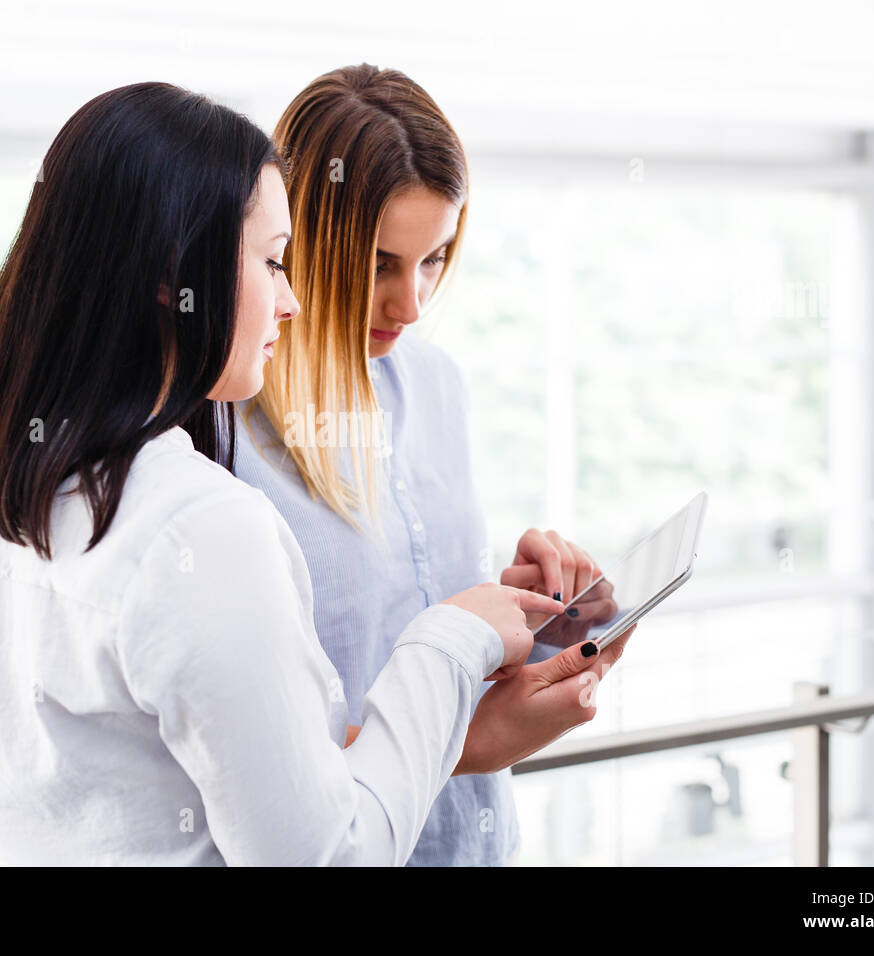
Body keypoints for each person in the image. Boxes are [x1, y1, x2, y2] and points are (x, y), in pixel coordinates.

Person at [0, 81, 592, 866]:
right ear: (173, 274)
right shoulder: (199, 522)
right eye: (273, 262)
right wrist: (452, 642)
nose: (290, 300)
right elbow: (325, 857)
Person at [234, 64, 634, 865]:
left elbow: (423, 627)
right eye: (381, 263)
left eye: (434, 259)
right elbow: (254, 744)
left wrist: (540, 614)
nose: (411, 305)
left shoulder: (435, 384)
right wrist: (464, 745)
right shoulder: (223, 432)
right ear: (292, 239)